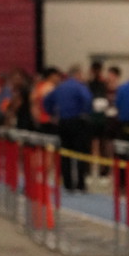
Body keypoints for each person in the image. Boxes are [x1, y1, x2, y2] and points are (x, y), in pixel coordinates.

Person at [47, 64, 94, 192]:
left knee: (65, 154)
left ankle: (68, 183)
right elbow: (87, 99)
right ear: (77, 74)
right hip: (78, 122)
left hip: (63, 123)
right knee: (80, 153)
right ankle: (80, 183)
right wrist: (86, 112)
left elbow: (47, 100)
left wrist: (52, 113)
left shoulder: (60, 87)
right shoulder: (80, 87)